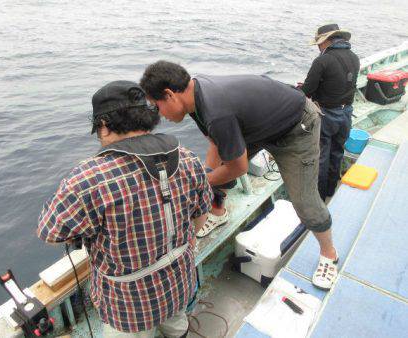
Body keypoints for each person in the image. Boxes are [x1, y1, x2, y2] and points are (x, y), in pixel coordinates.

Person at [140, 62, 339, 290]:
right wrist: (206, 179)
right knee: (219, 167)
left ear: (169, 95)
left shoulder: (216, 111)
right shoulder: (194, 95)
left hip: (296, 127)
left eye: (157, 107)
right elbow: (216, 142)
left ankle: (328, 254)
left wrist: (200, 182)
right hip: (261, 125)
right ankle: (218, 212)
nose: (160, 115)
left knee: (304, 201)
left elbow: (239, 168)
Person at [37, 80, 212, 337]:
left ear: (104, 126)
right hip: (179, 282)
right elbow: (201, 214)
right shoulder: (186, 157)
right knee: (177, 325)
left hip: (129, 307)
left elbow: (50, 232)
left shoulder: (86, 179)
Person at [301, 24, 360, 201]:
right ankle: (330, 191)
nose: (318, 47)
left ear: (327, 40)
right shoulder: (354, 57)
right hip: (346, 113)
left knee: (322, 156)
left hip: (326, 115)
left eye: (319, 43)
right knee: (337, 152)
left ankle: (319, 196)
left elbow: (307, 91)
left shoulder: (322, 60)